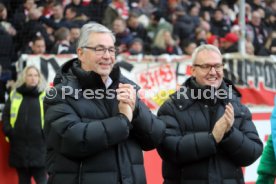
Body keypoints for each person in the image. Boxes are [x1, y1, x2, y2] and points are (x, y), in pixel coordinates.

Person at [43, 22, 165, 184]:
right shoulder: (59, 93)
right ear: (81, 53)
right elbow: (74, 140)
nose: (107, 56)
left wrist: (135, 110)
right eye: (99, 49)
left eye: (111, 49)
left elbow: (155, 138)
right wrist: (122, 120)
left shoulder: (126, 87)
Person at [157, 44, 263, 184]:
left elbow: (253, 153)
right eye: (206, 66)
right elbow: (170, 150)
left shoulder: (236, 105)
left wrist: (229, 134)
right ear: (193, 70)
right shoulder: (173, 106)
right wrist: (212, 139)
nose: (213, 72)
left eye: (218, 66)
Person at [2, 65, 47, 184]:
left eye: (36, 75)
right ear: (24, 77)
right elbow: (6, 115)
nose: (33, 78)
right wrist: (10, 132)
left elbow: (53, 118)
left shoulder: (45, 96)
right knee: (23, 180)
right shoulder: (15, 95)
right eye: (30, 75)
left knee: (42, 180)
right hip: (19, 146)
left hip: (40, 147)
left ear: (39, 78)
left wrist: (45, 135)